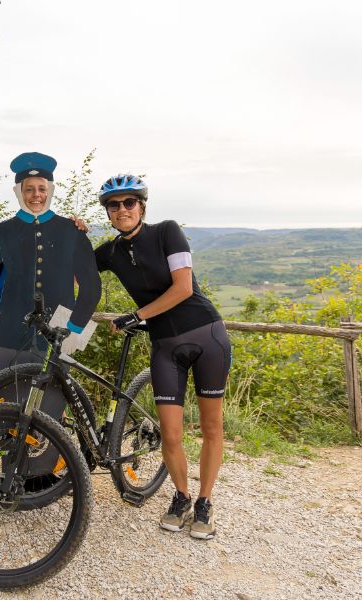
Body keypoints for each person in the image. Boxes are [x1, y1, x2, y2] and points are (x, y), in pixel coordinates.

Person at [92, 174, 231, 540]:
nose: (122, 209)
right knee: (170, 433)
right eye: (114, 205)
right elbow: (76, 270)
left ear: (142, 206)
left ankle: (205, 502)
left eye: (129, 203)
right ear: (106, 212)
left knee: (211, 427)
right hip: (165, 347)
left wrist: (137, 316)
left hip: (207, 336)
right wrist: (74, 232)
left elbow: (183, 287)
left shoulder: (166, 231)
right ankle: (182, 496)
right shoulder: (110, 252)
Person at [0, 151, 101, 477]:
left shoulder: (71, 231)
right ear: (19, 191)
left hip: (59, 329)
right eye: (29, 188)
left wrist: (73, 329)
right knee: (10, 409)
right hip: (10, 330)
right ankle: (14, 475)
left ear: (50, 189)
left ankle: (44, 478)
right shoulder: (1, 232)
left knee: (51, 409)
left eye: (41, 187)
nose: (36, 195)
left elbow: (92, 287)